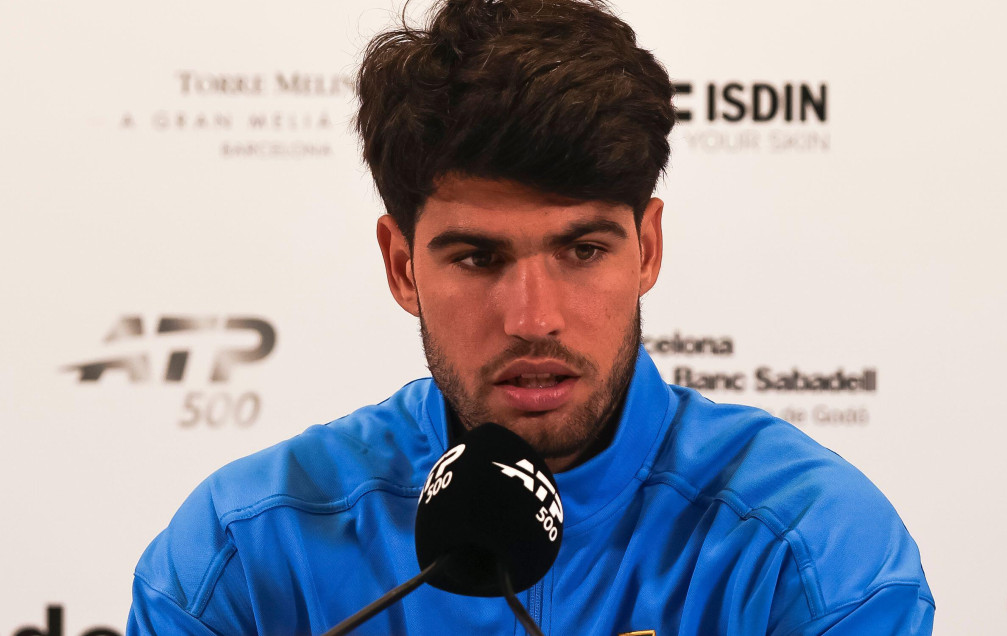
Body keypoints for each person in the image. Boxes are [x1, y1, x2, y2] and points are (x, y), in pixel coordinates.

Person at [127, 0, 934, 633]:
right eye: (478, 258)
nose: (534, 318)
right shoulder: (246, 549)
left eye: (582, 250)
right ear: (402, 266)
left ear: (647, 250)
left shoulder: (809, 550)